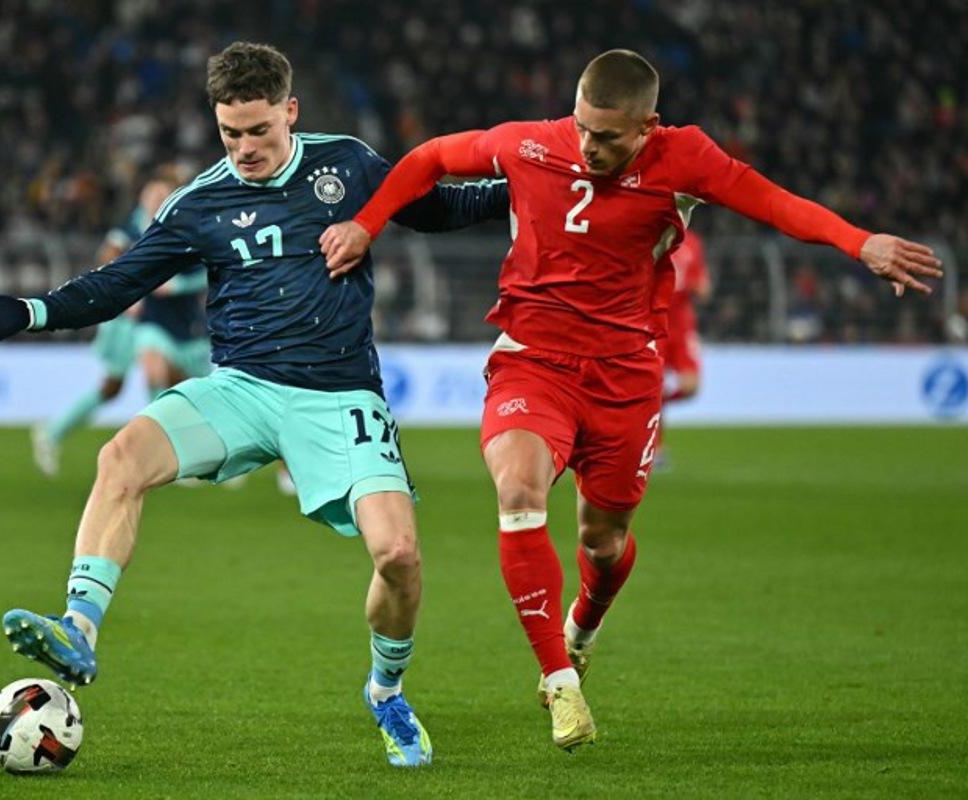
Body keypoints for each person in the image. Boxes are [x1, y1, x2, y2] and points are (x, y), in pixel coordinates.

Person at [319, 49, 942, 752]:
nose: (588, 145)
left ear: (648, 126)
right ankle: (560, 681)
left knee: (604, 541)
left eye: (608, 136)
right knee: (518, 491)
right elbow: (431, 157)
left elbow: (771, 201)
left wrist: (859, 243)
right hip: (533, 361)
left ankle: (582, 629)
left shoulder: (686, 158)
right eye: (583, 127)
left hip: (624, 378)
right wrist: (368, 223)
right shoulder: (532, 144)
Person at [0, 41, 510, 767]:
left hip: (339, 393)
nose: (244, 148)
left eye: (259, 130)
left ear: (290, 111)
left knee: (400, 556)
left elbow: (438, 209)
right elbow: (116, 285)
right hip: (241, 387)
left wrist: (527, 185)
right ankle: (78, 630)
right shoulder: (198, 203)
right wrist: (23, 312)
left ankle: (386, 692)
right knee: (121, 456)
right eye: (229, 133)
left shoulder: (347, 164)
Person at [31, 172, 207, 476]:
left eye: (162, 195)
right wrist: (126, 293)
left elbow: (205, 269)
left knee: (149, 381)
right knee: (133, 380)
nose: (156, 200)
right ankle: (165, 450)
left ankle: (54, 432)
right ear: (143, 199)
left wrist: (175, 287)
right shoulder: (131, 228)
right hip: (130, 323)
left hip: (173, 322)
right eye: (151, 195)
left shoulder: (183, 224)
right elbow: (108, 256)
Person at [653, 227, 712, 469]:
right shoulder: (654, 233)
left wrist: (701, 286)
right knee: (652, 385)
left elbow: (702, 283)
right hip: (654, 321)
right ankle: (656, 448)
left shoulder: (693, 242)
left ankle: (658, 402)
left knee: (691, 386)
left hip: (682, 324)